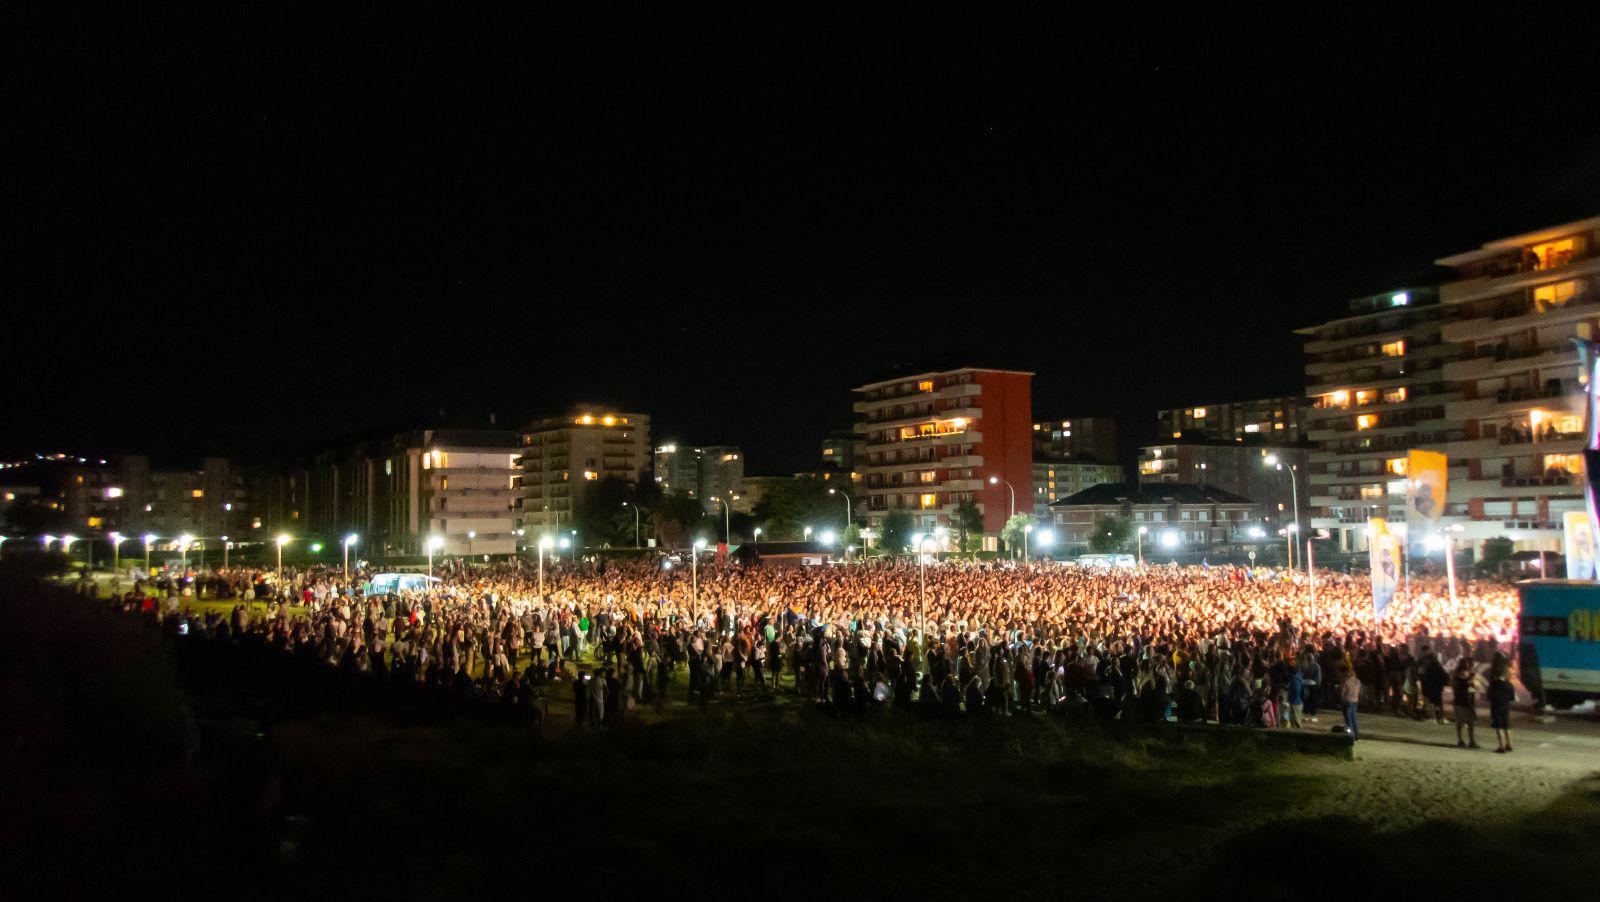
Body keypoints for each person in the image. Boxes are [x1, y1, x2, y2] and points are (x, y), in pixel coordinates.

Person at [1450, 657, 1480, 749]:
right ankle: (1470, 741)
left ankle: (1461, 740)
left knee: (1460, 722)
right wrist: (1472, 679)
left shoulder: (1456, 677)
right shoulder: (1463, 679)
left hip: (1458, 702)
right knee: (1469, 723)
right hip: (1465, 702)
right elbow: (1466, 686)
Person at [1488, 656, 1515, 753]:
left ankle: (1501, 746)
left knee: (1498, 727)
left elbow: (1490, 695)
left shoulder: (1494, 683)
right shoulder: (1509, 685)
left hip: (1497, 707)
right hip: (1506, 707)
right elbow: (1512, 697)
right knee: (1506, 726)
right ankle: (1509, 745)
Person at [1338, 663, 1361, 742]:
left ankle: (1351, 737)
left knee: (1348, 721)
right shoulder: (1358, 681)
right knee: (1353, 719)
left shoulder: (1346, 681)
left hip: (1346, 701)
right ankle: (1357, 736)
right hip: (1355, 701)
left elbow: (1341, 692)